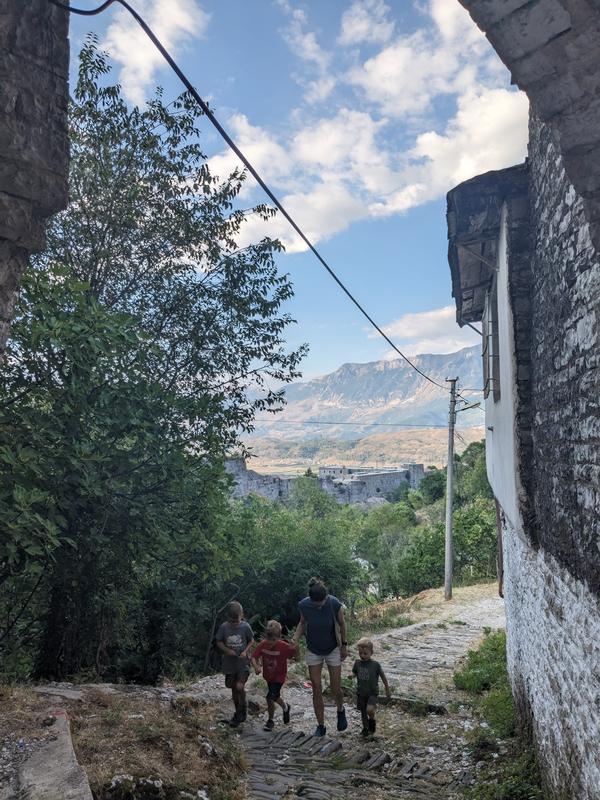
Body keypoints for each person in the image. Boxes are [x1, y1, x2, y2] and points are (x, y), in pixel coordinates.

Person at [292, 578, 348, 736]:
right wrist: (295, 638)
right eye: (316, 603)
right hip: (313, 649)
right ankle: (321, 725)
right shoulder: (304, 605)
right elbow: (302, 623)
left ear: (326, 597)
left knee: (335, 687)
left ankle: (340, 710)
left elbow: (342, 623)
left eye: (321, 602)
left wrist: (344, 645)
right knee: (316, 687)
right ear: (310, 599)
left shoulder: (334, 603)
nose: (319, 605)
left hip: (333, 649)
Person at [251, 619, 296, 731]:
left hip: (279, 676)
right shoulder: (263, 645)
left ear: (279, 637)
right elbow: (254, 657)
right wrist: (256, 667)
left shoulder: (283, 646)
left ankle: (270, 721)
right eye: (269, 639)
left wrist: (295, 647)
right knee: (274, 696)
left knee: (270, 697)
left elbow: (293, 655)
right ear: (266, 636)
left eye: (274, 639)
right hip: (268, 676)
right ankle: (285, 707)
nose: (271, 642)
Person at [215, 601, 254, 727]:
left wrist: (245, 651)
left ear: (241, 616)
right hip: (230, 663)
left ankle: (243, 708)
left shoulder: (245, 627)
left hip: (243, 663)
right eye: (232, 621)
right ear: (228, 618)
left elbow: (251, 640)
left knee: (239, 687)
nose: (234, 623)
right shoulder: (224, 627)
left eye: (236, 621)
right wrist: (227, 650)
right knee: (231, 686)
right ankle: (238, 712)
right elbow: (219, 641)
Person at [350, 637, 391, 737]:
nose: (362, 656)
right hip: (361, 692)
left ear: (371, 652)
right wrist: (352, 675)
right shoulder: (358, 663)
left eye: (365, 653)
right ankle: (365, 728)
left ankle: (372, 720)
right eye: (360, 653)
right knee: (363, 712)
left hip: (372, 692)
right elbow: (355, 672)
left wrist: (387, 689)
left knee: (369, 710)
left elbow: (383, 677)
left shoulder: (375, 665)